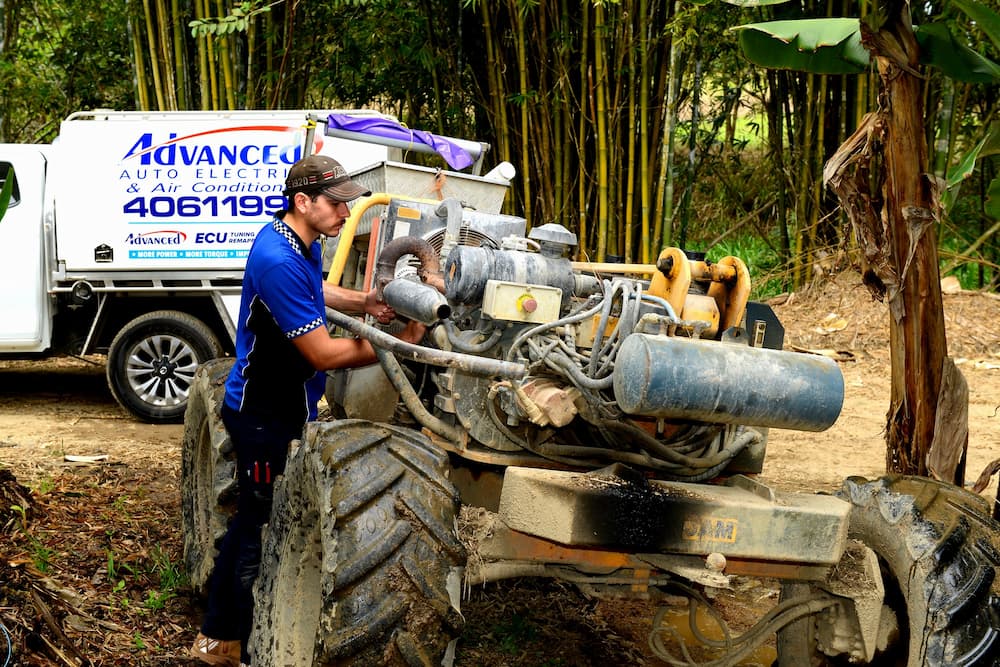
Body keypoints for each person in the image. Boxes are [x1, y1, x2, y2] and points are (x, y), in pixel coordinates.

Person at [190, 154, 425, 666]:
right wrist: (397, 344)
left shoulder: (296, 242)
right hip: (260, 413)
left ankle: (234, 630)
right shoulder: (277, 258)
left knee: (264, 517)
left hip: (283, 404)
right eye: (337, 203)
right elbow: (322, 354)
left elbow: (312, 292)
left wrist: (364, 305)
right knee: (253, 523)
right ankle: (222, 640)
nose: (346, 213)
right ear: (303, 201)